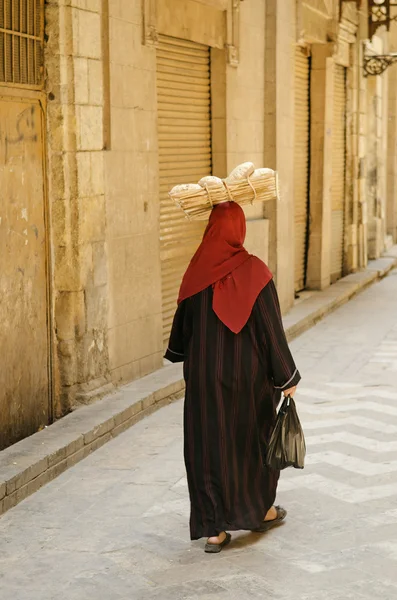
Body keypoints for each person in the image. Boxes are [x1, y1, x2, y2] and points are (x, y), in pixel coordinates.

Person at [165, 201, 301, 553]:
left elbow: (181, 335)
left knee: (206, 447)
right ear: (238, 229)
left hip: (204, 380)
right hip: (248, 381)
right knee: (251, 443)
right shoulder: (255, 271)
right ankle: (261, 510)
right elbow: (271, 330)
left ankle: (214, 530)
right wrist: (287, 376)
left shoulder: (195, 272)